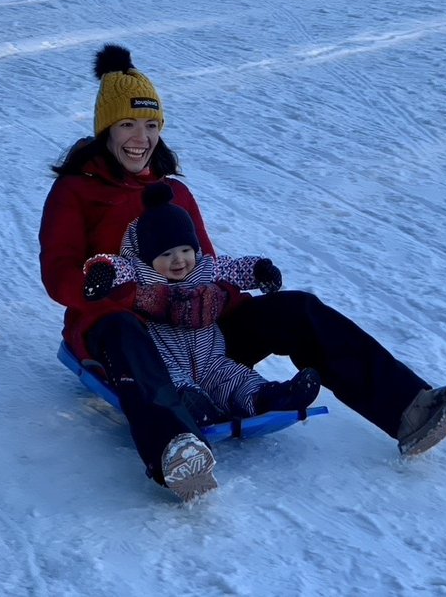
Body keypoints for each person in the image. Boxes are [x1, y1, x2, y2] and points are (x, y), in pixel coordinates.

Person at [38, 44, 446, 500]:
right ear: (105, 130)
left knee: (297, 310)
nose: (141, 137)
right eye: (128, 124)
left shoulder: (174, 193)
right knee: (121, 332)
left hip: (197, 334)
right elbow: (59, 277)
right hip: (123, 331)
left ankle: (413, 411)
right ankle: (175, 448)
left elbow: (204, 266)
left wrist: (241, 300)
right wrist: (126, 295)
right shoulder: (76, 193)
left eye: (151, 125)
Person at [83, 182, 322, 445]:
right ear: (147, 258)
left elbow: (234, 268)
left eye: (186, 250)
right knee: (175, 386)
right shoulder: (141, 275)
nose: (179, 260)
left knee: (235, 377)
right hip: (167, 362)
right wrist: (102, 272)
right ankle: (194, 410)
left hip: (211, 359)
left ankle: (270, 397)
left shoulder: (205, 269)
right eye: (167, 254)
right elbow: (117, 266)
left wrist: (261, 271)